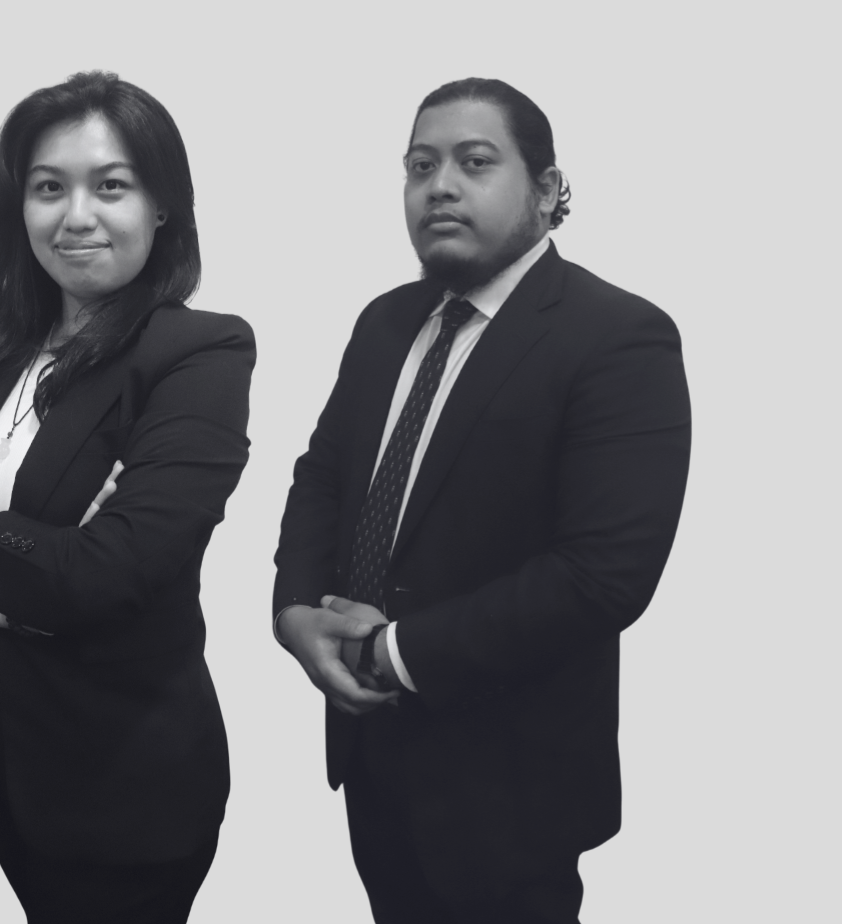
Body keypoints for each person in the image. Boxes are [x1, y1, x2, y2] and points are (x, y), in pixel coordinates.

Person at [272, 77, 691, 923]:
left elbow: (603, 575)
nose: (440, 187)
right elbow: (323, 475)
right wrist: (295, 612)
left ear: (546, 188)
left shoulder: (619, 336)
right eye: (420, 166)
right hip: (371, 753)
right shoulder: (386, 322)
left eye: (474, 162)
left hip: (509, 784)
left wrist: (390, 652)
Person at [0, 71, 253, 923]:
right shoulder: (2, 348)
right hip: (1, 741)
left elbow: (105, 576)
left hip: (125, 779)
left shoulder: (197, 353)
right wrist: (14, 571)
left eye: (110, 186)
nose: (76, 216)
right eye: (49, 188)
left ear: (161, 206)